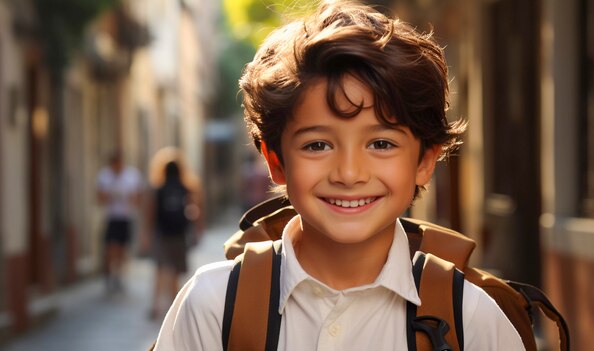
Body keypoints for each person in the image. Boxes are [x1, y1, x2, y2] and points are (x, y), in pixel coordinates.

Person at [154, 1, 525, 349]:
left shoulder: (471, 318)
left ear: (425, 161)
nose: (349, 174)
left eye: (381, 144)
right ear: (276, 161)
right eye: (317, 145)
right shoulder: (213, 307)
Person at [147, 159, 202, 320]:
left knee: (161, 269)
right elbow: (194, 210)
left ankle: (155, 305)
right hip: (179, 235)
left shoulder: (159, 189)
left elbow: (152, 212)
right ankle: (174, 307)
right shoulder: (186, 188)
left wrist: (148, 233)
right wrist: (197, 229)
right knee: (177, 271)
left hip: (162, 234)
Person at [96, 150, 143, 293]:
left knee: (122, 249)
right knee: (110, 248)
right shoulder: (105, 176)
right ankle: (109, 275)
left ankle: (119, 276)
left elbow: (137, 198)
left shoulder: (131, 175)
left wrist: (126, 197)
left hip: (126, 218)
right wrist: (112, 195)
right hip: (111, 218)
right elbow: (100, 198)